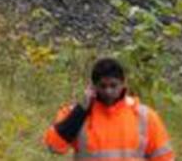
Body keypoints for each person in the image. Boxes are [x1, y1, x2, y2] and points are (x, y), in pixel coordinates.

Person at [44, 57, 174, 160]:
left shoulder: (145, 116)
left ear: (123, 84)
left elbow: (164, 158)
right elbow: (54, 147)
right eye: (103, 86)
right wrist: (81, 110)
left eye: (113, 85)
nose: (108, 91)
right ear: (93, 87)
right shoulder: (77, 113)